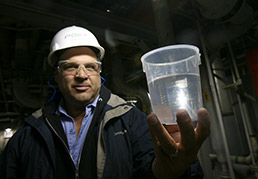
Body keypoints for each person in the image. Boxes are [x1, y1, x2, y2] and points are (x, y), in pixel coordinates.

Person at [0, 25, 210, 179]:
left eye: (90, 66)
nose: (82, 75)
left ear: (99, 72)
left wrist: (174, 173)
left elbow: (158, 168)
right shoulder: (30, 132)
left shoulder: (131, 121)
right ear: (56, 75)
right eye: (70, 66)